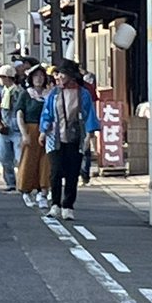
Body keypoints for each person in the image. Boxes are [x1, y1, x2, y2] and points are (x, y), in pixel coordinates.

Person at [39, 59, 100, 220]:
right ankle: (55, 205)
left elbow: (89, 115)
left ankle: (68, 205)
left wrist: (89, 134)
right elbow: (47, 113)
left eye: (62, 73)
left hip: (76, 137)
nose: (58, 77)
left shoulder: (83, 93)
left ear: (71, 75)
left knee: (73, 173)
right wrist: (43, 131)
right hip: (55, 137)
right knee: (55, 171)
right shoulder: (54, 93)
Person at [16, 64, 51, 209]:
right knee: (28, 160)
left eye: (42, 76)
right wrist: (24, 133)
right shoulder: (26, 94)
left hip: (48, 130)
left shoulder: (49, 94)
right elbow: (19, 113)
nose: (39, 79)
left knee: (46, 161)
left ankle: (43, 191)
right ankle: (26, 190)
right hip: (31, 128)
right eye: (36, 76)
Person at [0, 64, 22, 192]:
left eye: (1, 77)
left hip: (18, 128)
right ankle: (10, 183)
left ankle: (22, 182)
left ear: (8, 78)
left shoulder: (20, 92)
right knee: (4, 158)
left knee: (19, 158)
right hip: (4, 128)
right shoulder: (2, 92)